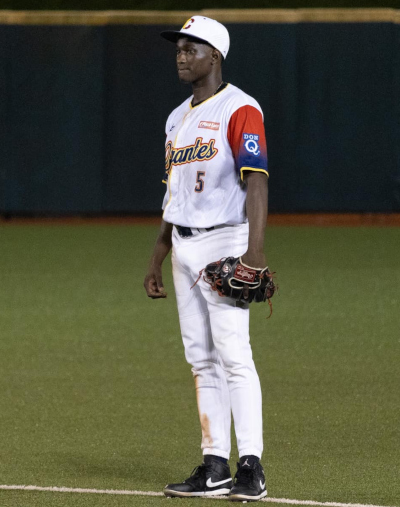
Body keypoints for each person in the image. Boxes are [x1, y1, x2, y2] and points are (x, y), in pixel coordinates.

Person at [144, 16, 269, 502]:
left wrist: (253, 255)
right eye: (178, 47)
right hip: (184, 245)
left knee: (234, 355)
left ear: (214, 55)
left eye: (190, 47)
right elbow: (172, 193)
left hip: (225, 243)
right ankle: (215, 463)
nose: (180, 54)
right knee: (201, 360)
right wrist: (158, 255)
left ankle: (251, 466)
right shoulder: (177, 118)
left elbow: (256, 180)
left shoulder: (241, 108)